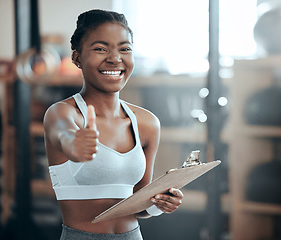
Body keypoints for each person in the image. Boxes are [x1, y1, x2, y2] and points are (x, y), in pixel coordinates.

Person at [43, 9, 183, 240]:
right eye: (100, 49)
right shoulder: (63, 114)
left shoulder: (147, 123)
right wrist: (73, 144)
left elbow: (138, 204)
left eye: (124, 49)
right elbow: (64, 135)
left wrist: (160, 204)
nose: (115, 58)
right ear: (77, 58)